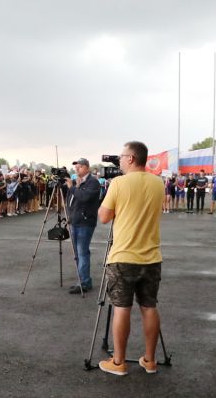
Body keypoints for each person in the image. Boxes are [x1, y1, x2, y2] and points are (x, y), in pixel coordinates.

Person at [97, 141, 164, 376]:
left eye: (122, 156)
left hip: (123, 256)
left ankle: (119, 362)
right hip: (151, 256)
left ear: (131, 158)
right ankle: (150, 360)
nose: (119, 160)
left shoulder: (119, 183)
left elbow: (104, 217)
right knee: (149, 307)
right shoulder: (158, 183)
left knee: (122, 308)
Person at [66, 158, 101, 294]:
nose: (76, 169)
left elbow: (84, 197)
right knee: (78, 253)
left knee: (82, 253)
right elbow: (71, 200)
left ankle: (84, 282)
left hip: (85, 222)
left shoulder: (93, 182)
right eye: (76, 167)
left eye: (79, 166)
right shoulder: (78, 182)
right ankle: (83, 280)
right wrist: (69, 216)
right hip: (75, 221)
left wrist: (72, 188)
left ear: (87, 167)